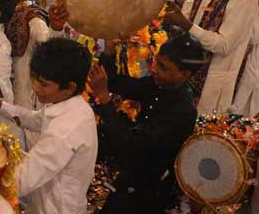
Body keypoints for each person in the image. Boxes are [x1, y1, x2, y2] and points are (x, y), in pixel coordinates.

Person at [0, 37, 97, 214]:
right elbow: (33, 120)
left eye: (43, 84)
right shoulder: (69, 104)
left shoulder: (66, 130)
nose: (35, 88)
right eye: (34, 80)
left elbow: (22, 179)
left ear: (69, 87)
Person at [87, 34, 204, 213]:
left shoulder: (181, 110)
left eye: (163, 67)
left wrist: (104, 99)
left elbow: (132, 145)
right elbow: (117, 83)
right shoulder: (160, 85)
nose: (154, 69)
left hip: (148, 189)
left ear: (184, 74)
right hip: (131, 175)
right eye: (156, 62)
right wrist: (109, 52)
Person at [165, 0, 259, 115]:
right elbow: (186, 15)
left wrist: (186, 25)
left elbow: (223, 45)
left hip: (210, 82)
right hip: (184, 72)